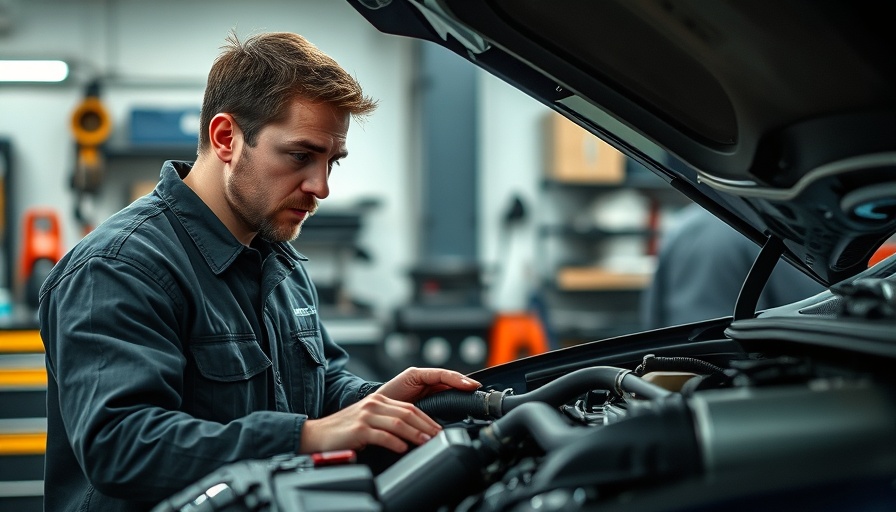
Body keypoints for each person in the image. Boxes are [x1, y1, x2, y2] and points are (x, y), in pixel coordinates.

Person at [38, 31, 480, 511]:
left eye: (332, 162)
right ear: (227, 138)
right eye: (301, 156)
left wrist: (379, 402)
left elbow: (316, 383)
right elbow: (121, 446)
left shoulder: (276, 256)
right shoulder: (120, 267)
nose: (321, 187)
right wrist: (306, 437)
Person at [641, 203, 826, 329]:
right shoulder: (769, 230)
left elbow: (653, 315)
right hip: (742, 365)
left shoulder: (682, 225)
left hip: (686, 364)